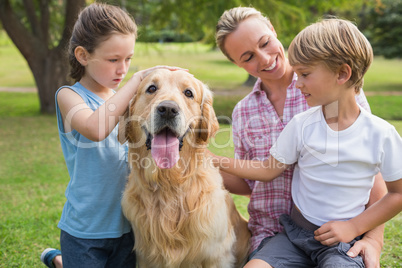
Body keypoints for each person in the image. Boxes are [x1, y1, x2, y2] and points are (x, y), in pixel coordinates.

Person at [212, 18, 402, 267]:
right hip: (283, 234)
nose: (265, 59)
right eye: (247, 57)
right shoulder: (251, 113)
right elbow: (260, 175)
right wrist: (205, 162)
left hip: (343, 239)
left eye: (265, 43)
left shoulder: (365, 119)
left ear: (272, 29)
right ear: (236, 64)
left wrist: (370, 237)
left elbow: (379, 180)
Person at [40, 3, 181, 268]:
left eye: (128, 59)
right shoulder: (70, 96)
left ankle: (60, 261)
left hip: (129, 227)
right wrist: (138, 80)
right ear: (83, 55)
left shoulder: (122, 100)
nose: (123, 69)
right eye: (113, 60)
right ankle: (61, 260)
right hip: (86, 231)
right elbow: (96, 129)